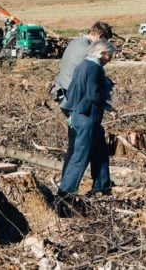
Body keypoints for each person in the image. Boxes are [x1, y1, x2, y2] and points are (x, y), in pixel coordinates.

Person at [51, 22, 114, 177]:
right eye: (105, 43)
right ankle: (65, 189)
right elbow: (91, 81)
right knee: (77, 146)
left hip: (67, 97)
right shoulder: (88, 51)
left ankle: (101, 185)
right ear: (100, 37)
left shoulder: (76, 42)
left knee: (98, 141)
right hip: (75, 103)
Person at [57, 40, 116, 204]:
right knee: (80, 158)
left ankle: (102, 188)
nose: (109, 60)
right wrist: (107, 104)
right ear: (103, 53)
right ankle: (64, 197)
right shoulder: (95, 68)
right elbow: (93, 95)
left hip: (79, 116)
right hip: (87, 118)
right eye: (109, 56)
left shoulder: (82, 65)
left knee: (101, 153)